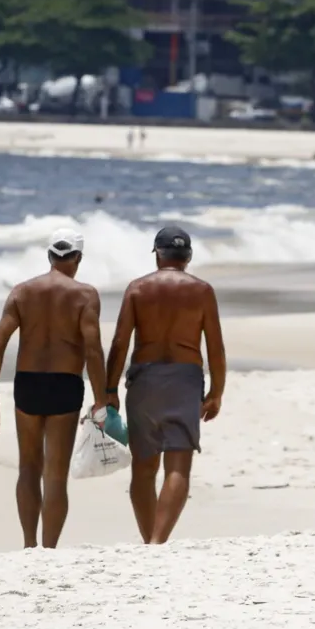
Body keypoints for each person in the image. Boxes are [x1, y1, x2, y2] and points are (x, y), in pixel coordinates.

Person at [0, 228, 108, 549]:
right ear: (77, 257)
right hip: (65, 385)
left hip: (28, 384)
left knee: (28, 467)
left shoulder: (23, 292)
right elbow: (93, 349)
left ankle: (28, 544)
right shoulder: (85, 295)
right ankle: (48, 549)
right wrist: (101, 400)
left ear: (50, 256)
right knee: (55, 473)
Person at [105, 226, 226, 545]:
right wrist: (217, 392)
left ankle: (150, 542)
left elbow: (120, 342)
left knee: (143, 468)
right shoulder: (202, 291)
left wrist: (109, 391)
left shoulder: (137, 288)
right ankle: (159, 542)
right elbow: (215, 345)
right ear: (188, 256)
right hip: (185, 379)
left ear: (157, 254)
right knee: (179, 465)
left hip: (145, 379)